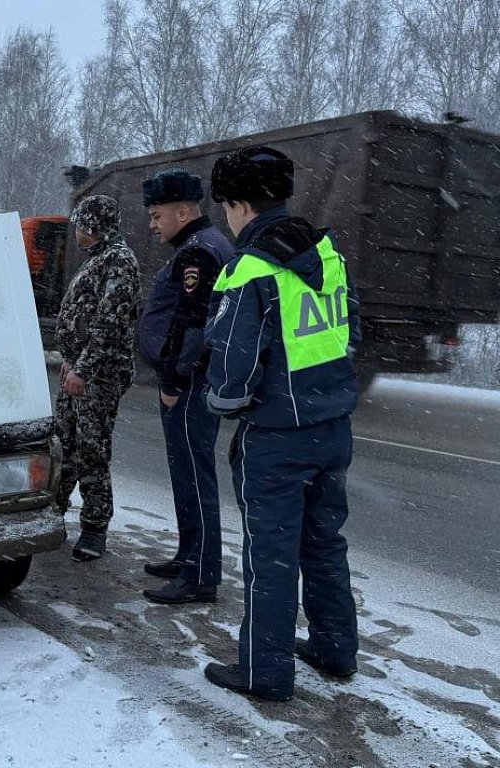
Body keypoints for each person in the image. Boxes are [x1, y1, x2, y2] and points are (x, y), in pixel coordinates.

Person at [202, 146, 361, 701]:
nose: (225, 216)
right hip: (333, 429)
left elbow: (231, 374)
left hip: (276, 438)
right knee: (323, 544)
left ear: (240, 204)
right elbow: (350, 337)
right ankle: (336, 648)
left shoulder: (249, 269)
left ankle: (263, 672)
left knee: (269, 556)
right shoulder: (329, 253)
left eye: (226, 205)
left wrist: (225, 401)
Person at [137, 169, 233, 605]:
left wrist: (175, 378)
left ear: (183, 211)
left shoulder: (201, 253)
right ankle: (188, 554)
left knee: (195, 475)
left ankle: (200, 575)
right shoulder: (199, 247)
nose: (152, 225)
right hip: (188, 378)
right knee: (186, 473)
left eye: (156, 216)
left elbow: (195, 323)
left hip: (190, 382)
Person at [54, 194, 141, 561]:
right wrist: (71, 361)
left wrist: (84, 369)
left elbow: (110, 323)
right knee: (63, 444)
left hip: (98, 377)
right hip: (80, 371)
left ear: (93, 227)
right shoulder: (99, 259)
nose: (76, 232)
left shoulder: (119, 261)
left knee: (91, 448)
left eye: (80, 225)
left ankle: (94, 528)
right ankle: (51, 512)